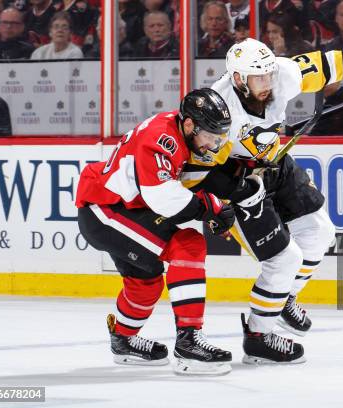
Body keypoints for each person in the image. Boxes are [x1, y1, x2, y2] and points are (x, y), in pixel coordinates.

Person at [179, 35, 343, 364]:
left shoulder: (282, 74)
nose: (268, 82)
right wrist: (225, 199)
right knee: (284, 259)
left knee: (321, 233)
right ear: (238, 79)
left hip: (274, 163)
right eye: (259, 78)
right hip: (237, 181)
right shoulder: (220, 110)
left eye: (269, 74)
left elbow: (336, 61)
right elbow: (195, 174)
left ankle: (285, 298)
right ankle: (258, 337)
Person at [75, 88, 236, 375]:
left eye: (217, 138)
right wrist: (209, 206)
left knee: (146, 279)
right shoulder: (162, 139)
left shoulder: (177, 129)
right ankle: (189, 342)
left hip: (120, 208)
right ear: (189, 125)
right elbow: (161, 196)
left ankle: (123, 340)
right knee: (189, 245)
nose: (213, 145)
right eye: (210, 137)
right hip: (105, 210)